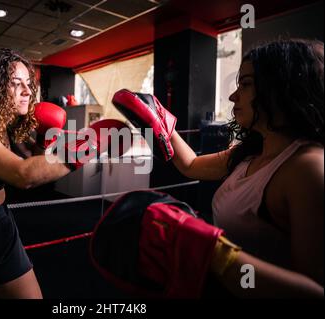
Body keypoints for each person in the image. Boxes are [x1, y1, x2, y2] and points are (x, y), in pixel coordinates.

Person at [112, 39, 324, 298]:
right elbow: (190, 165)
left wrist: (213, 254)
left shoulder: (308, 167)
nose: (234, 96)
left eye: (245, 85)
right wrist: (157, 115)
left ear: (280, 88)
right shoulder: (250, 153)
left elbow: (315, 292)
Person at [0, 48, 127, 299]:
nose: (26, 90)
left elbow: (35, 162)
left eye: (28, 83)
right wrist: (92, 143)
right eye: (15, 84)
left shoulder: (5, 125)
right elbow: (23, 175)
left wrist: (44, 139)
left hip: (1, 226)